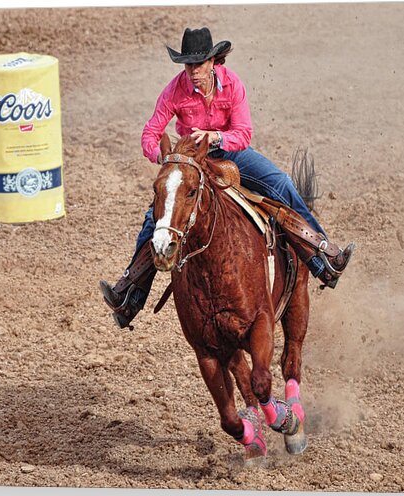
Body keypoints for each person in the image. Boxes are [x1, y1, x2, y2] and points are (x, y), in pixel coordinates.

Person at [100, 27, 354, 329]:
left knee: (281, 184)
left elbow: (243, 133)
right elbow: (150, 133)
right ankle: (129, 294)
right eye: (188, 65)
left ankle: (323, 257)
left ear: (212, 62)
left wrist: (215, 137)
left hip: (229, 152)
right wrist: (165, 158)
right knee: (157, 218)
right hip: (192, 160)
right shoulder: (174, 90)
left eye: (199, 65)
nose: (193, 72)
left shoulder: (232, 84)